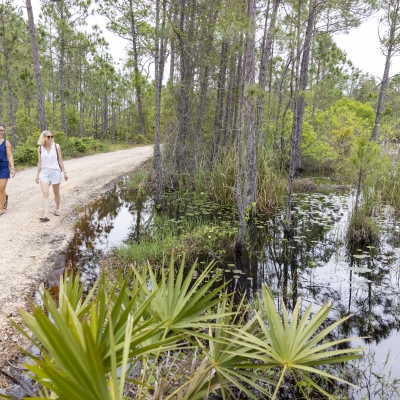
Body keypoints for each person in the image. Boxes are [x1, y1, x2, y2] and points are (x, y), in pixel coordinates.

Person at [35, 130, 68, 222]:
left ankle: (57, 208)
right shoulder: (40, 148)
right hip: (44, 172)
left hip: (55, 171)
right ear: (44, 138)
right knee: (45, 193)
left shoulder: (56, 147)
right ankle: (45, 215)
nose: (50, 138)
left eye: (51, 136)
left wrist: (65, 172)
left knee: (56, 192)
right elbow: (40, 162)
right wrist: (37, 175)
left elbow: (60, 160)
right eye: (48, 137)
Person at [0, 125, 16, 216]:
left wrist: (12, 168)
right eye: (0, 130)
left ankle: (1, 208)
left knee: (1, 188)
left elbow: (9, 156)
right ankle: (4, 198)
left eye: (2, 130)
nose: (1, 132)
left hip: (3, 166)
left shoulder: (6, 143)